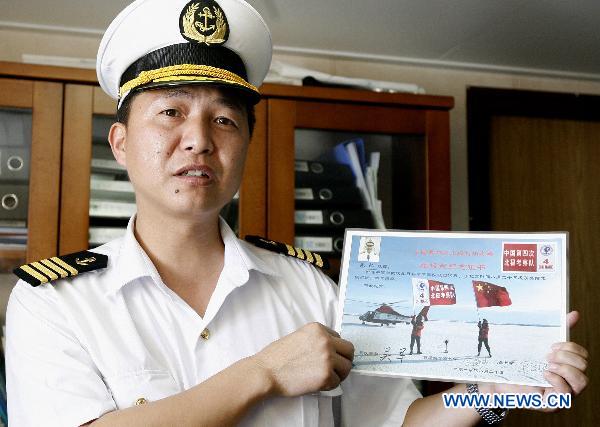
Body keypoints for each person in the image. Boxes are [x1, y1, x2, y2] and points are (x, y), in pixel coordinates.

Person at [5, 0, 589, 426]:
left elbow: (397, 422)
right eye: (170, 113)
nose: (199, 140)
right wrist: (264, 372)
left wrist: (487, 392)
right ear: (121, 143)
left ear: (245, 149)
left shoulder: (309, 286)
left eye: (225, 120)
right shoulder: (53, 300)